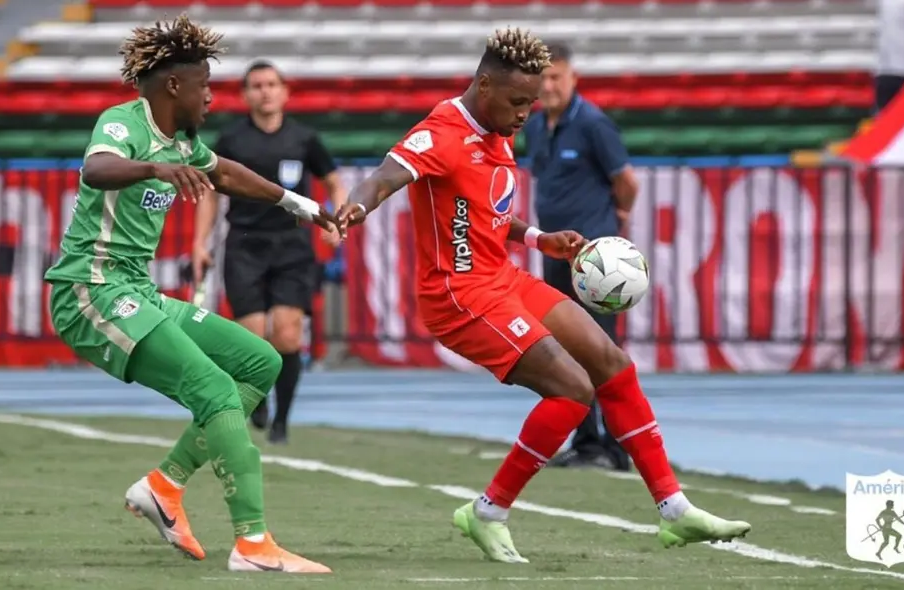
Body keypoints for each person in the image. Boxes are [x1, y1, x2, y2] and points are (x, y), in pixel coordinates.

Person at [336, 27, 751, 563]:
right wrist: (356, 206)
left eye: (531, 103)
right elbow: (383, 178)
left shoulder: (498, 124)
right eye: (518, 102)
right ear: (484, 85)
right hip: (459, 297)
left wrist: (537, 239)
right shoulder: (441, 133)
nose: (526, 114)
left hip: (503, 278)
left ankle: (675, 509)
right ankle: (488, 512)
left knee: (612, 363)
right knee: (573, 391)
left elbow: (487, 215)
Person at [43, 15, 332, 574]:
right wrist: (154, 166)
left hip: (136, 290)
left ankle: (164, 486)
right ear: (175, 86)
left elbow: (224, 173)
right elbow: (97, 169)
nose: (211, 98)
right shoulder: (124, 124)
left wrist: (298, 205)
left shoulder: (185, 143)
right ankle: (253, 545)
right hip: (89, 289)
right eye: (205, 86)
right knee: (215, 392)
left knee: (260, 361)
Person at [193, 60, 346, 444]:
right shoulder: (231, 141)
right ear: (245, 94)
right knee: (255, 339)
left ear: (284, 91)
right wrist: (199, 243)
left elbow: (333, 181)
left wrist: (335, 219)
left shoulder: (304, 138)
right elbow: (210, 196)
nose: (265, 91)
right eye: (257, 85)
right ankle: (258, 400)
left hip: (292, 247)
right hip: (245, 246)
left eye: (272, 84)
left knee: (289, 335)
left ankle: (282, 422)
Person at [524, 42, 636, 472]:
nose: (549, 86)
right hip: (557, 252)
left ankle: (618, 444)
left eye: (557, 77)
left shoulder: (592, 124)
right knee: (569, 347)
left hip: (595, 260)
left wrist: (616, 218)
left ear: (573, 78)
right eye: (543, 78)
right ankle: (587, 440)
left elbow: (626, 181)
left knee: (600, 350)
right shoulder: (536, 126)